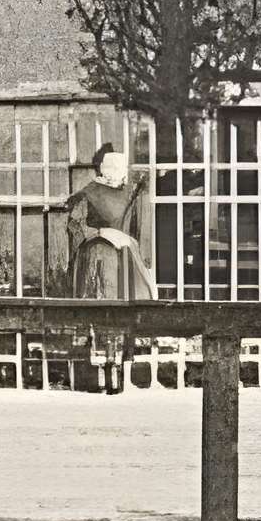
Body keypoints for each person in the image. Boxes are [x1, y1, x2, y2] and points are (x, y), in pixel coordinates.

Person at [56, 142, 151, 393]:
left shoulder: (125, 192)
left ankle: (114, 365)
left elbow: (75, 225)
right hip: (105, 256)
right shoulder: (94, 192)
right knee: (105, 309)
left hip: (114, 256)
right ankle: (108, 365)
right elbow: (75, 223)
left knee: (114, 310)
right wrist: (97, 235)